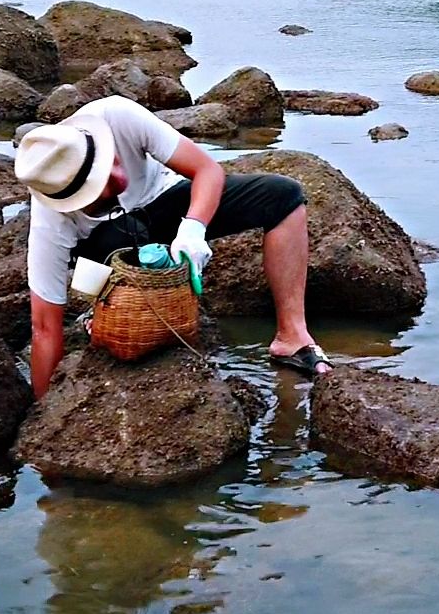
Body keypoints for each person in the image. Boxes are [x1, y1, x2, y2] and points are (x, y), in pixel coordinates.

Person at [18, 96, 331, 398]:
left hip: (167, 203)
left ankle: (292, 335)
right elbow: (45, 326)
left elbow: (207, 170)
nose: (120, 179)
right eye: (104, 188)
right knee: (121, 235)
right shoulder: (51, 220)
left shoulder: (116, 115)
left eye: (111, 162)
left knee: (282, 196)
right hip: (110, 247)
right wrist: (44, 410)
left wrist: (193, 229)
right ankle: (104, 312)